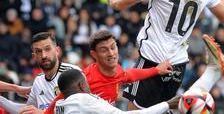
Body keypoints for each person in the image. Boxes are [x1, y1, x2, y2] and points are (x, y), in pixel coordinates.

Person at [44, 30, 172, 114]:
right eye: (104, 50)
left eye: (113, 47)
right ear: (94, 54)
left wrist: (156, 70)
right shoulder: (84, 80)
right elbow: (61, 98)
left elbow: (130, 75)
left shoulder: (118, 70)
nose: (111, 53)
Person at [0, 32, 80, 114]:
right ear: (34, 56)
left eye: (47, 49)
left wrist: (43, 113)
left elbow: (80, 109)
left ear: (57, 51)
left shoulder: (72, 73)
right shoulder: (38, 81)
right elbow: (28, 110)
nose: (44, 55)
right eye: (38, 51)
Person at [54, 69, 179, 114]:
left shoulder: (59, 106)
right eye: (87, 83)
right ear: (81, 86)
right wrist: (167, 104)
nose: (89, 87)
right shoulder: (84, 100)